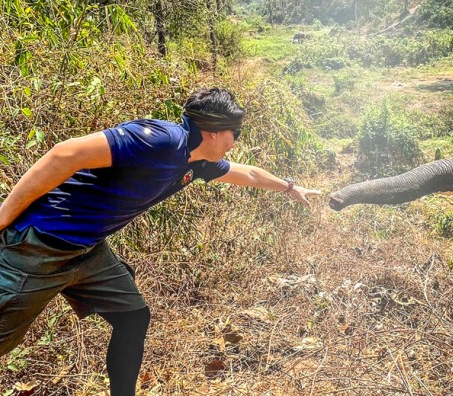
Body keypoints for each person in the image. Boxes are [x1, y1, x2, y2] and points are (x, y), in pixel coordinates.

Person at [0, 88, 321, 395]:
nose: (234, 143)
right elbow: (66, 153)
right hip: (39, 245)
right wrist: (3, 217)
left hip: (88, 251)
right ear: (213, 132)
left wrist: (291, 188)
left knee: (133, 317)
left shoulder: (197, 162)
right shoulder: (161, 140)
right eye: (234, 134)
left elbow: (248, 174)